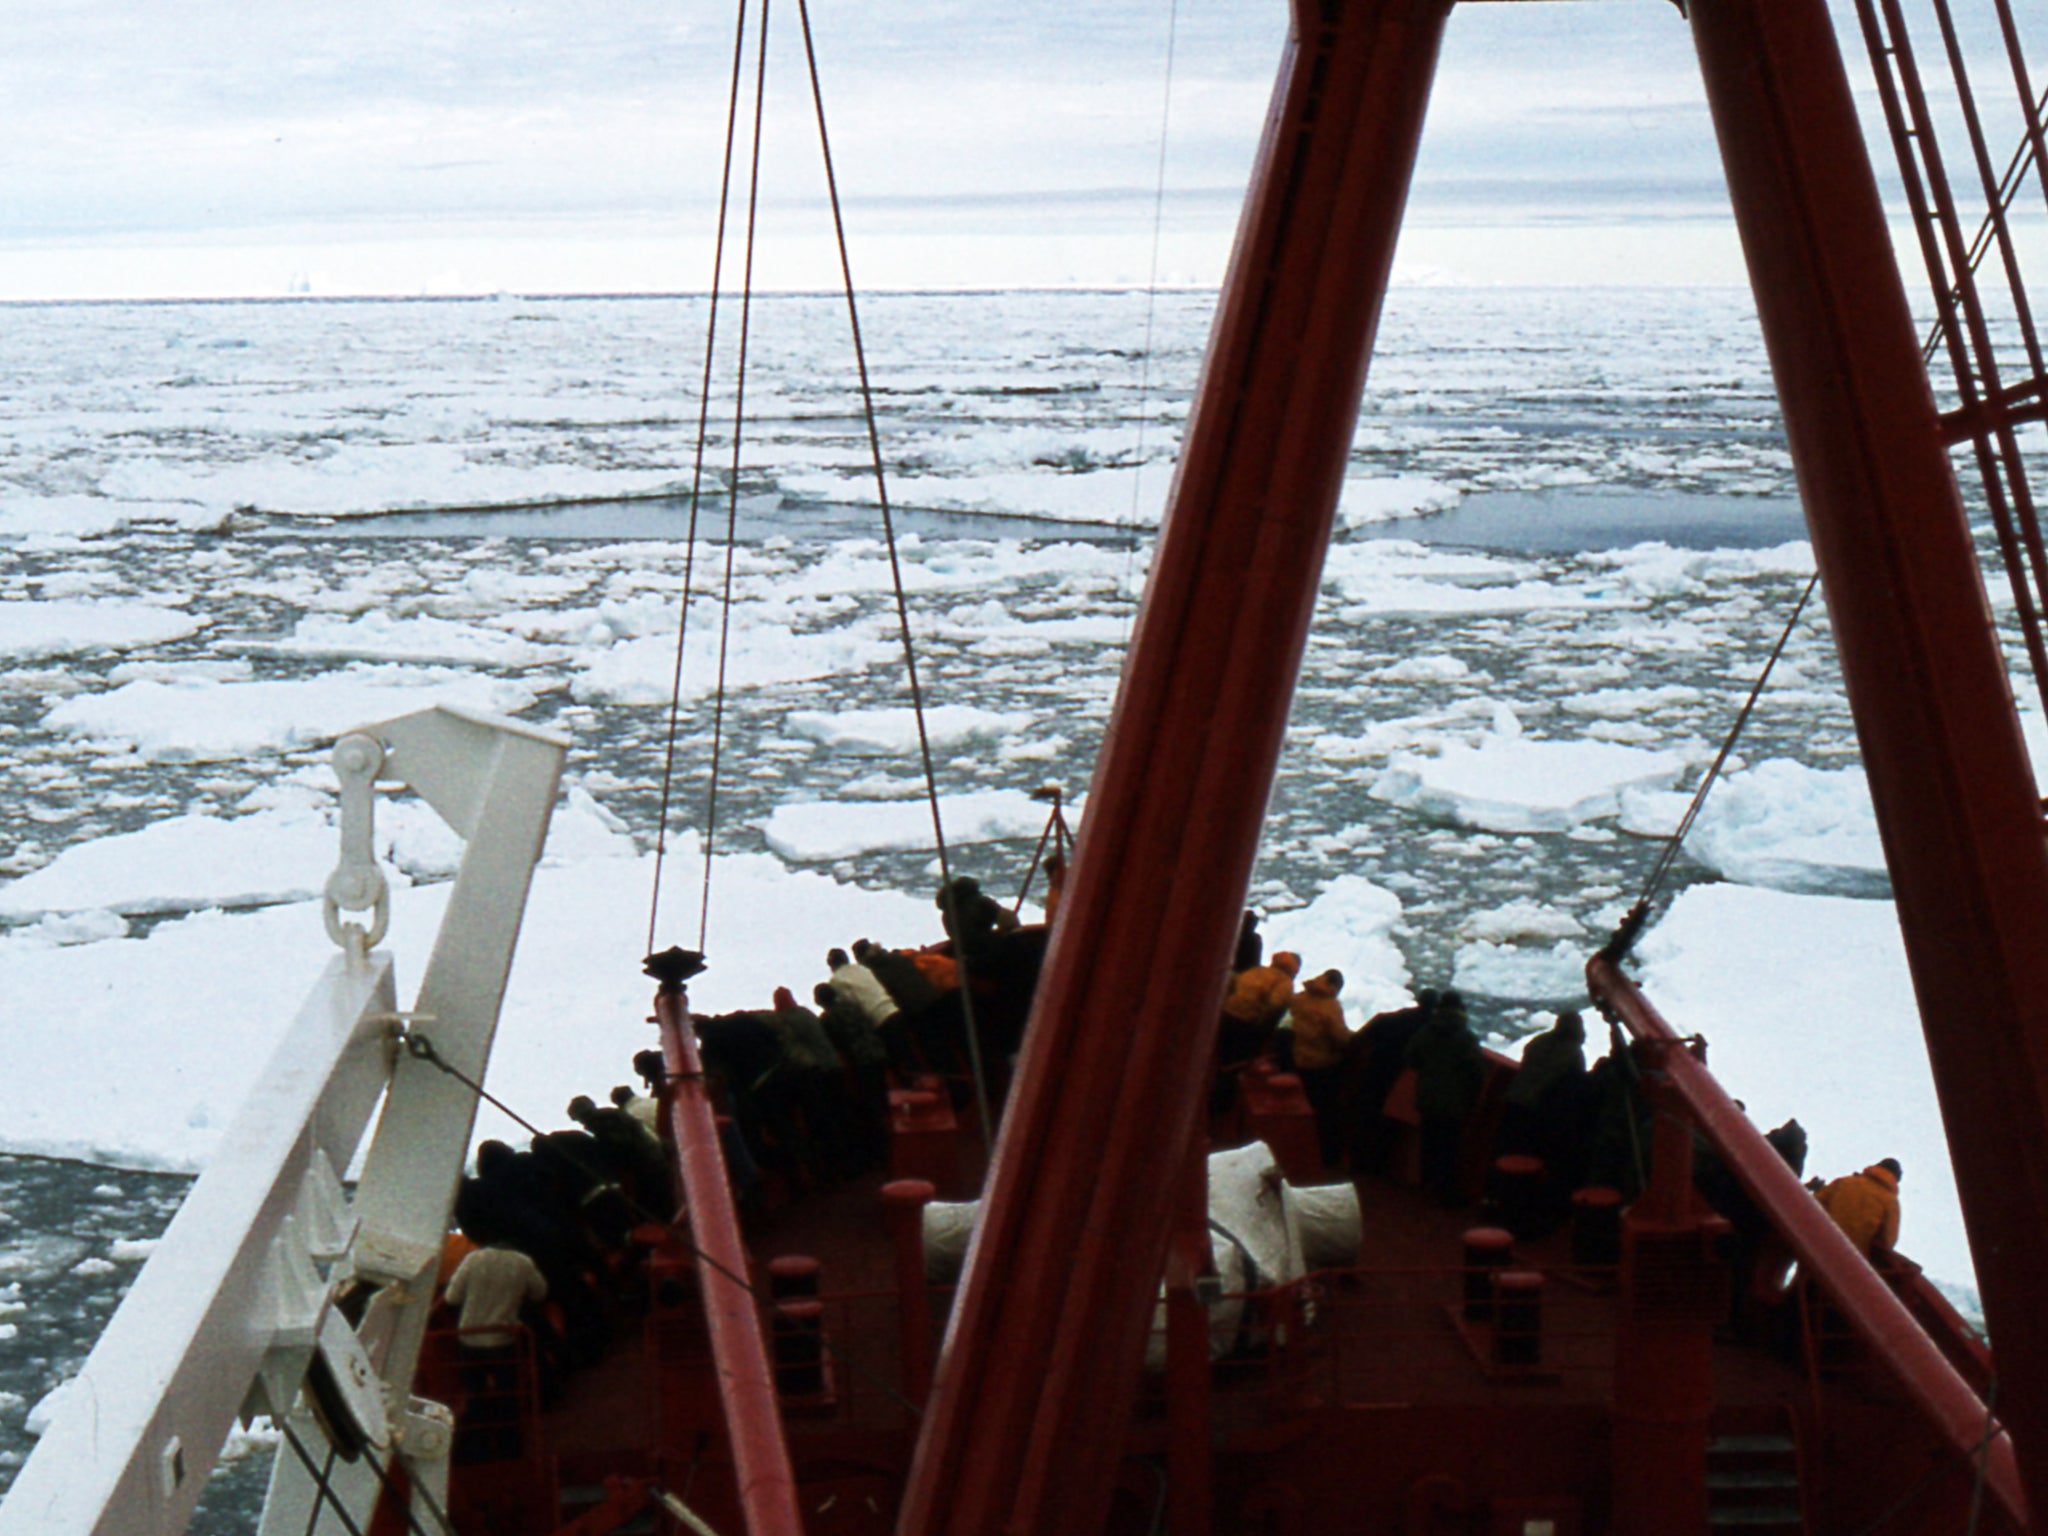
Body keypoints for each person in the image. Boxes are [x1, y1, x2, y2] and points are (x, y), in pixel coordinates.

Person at [1405, 989, 1484, 1205]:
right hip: (1454, 1102)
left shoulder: (1426, 1032)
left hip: (1428, 1098)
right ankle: (1447, 1193)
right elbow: (1476, 1070)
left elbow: (1411, 1058)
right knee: (1449, 1147)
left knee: (1429, 1143)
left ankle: (1426, 1186)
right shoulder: (1465, 1037)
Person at [1497, 1010, 1586, 1159]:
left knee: (1508, 1151)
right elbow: (1576, 1081)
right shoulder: (1573, 1052)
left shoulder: (1539, 1041)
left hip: (1514, 1100)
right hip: (1537, 1108)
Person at [1286, 968, 1351, 1165]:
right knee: (1327, 1111)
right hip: (1320, 1064)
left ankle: (1295, 1149)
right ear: (1333, 986)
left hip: (1298, 1060)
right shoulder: (1330, 1007)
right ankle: (1329, 1157)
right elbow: (1340, 1039)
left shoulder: (1298, 998)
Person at [1816, 1158, 1902, 1260]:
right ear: (1896, 1179)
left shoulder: (1845, 1182)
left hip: (1818, 1247)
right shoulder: (1891, 1202)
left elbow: (1814, 1204)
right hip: (1850, 1262)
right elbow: (1888, 1240)